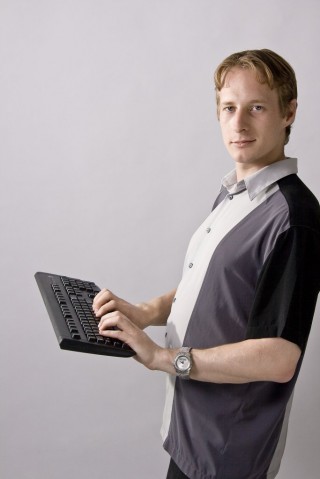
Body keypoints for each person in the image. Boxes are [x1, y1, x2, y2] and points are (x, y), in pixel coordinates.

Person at [92, 49, 320, 479]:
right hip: (190, 427)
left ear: (289, 112)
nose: (239, 124)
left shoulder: (295, 216)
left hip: (226, 450)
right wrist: (143, 312)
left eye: (256, 107)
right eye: (229, 108)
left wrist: (164, 357)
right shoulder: (236, 192)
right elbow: (212, 283)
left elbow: (278, 357)